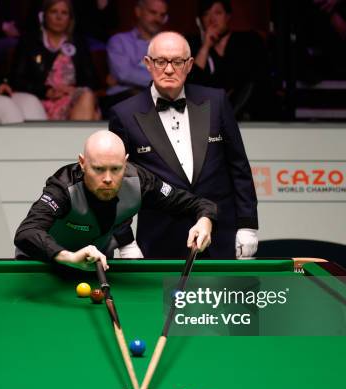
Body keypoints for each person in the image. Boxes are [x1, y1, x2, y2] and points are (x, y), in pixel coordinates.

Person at [109, 31, 258, 260]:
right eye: (161, 62)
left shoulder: (216, 101)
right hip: (160, 240)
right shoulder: (125, 114)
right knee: (165, 298)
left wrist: (247, 226)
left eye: (177, 62)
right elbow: (117, 186)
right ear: (148, 64)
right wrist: (126, 241)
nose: (169, 69)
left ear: (189, 65)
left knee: (232, 296)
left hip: (221, 237)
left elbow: (239, 167)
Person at [14, 130, 216, 271]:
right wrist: (69, 257)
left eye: (116, 169)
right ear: (82, 163)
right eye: (99, 169)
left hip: (95, 267)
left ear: (125, 162)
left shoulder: (140, 181)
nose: (108, 178)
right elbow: (27, 232)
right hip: (43, 267)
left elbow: (197, 203)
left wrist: (205, 219)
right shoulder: (64, 187)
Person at [10, 0, 100, 121]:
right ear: (44, 15)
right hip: (40, 99)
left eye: (64, 13)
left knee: (87, 96)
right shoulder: (30, 42)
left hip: (72, 97)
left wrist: (73, 89)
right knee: (91, 113)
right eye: (54, 12)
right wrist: (46, 91)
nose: (59, 17)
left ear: (70, 18)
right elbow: (16, 80)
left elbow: (91, 79)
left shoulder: (78, 43)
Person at [187, 0, 275, 120]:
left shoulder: (248, 40)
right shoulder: (196, 47)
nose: (212, 19)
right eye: (206, 14)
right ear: (200, 20)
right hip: (208, 118)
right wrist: (206, 46)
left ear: (228, 16)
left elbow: (243, 80)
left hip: (250, 116)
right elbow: (193, 85)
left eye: (217, 13)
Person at [104, 0, 168, 108]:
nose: (157, 19)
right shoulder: (119, 41)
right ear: (138, 12)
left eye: (162, 15)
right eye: (153, 12)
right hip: (124, 97)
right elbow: (124, 74)